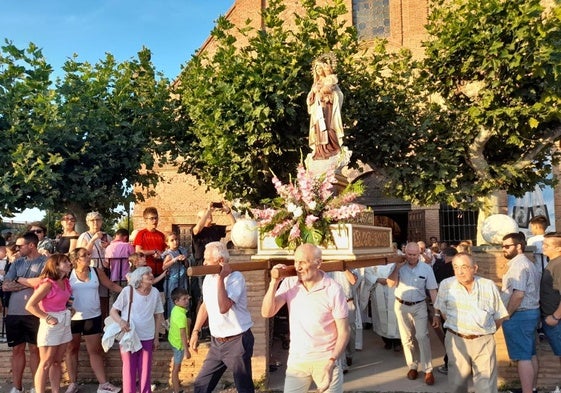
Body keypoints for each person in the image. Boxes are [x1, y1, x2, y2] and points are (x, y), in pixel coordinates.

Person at [261, 243, 349, 393]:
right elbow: (267, 312)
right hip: (298, 360)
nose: (297, 267)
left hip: (326, 360)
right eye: (296, 261)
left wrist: (332, 362)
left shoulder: (333, 289)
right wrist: (274, 282)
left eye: (302, 262)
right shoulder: (290, 283)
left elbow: (344, 332)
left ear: (318, 263)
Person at [433, 252, 508, 393]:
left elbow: (500, 315)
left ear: (475, 268)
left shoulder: (488, 285)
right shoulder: (446, 285)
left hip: (483, 341)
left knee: (486, 387)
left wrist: (485, 332)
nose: (460, 272)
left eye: (464, 267)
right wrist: (456, 328)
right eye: (456, 267)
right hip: (456, 340)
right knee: (457, 385)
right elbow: (442, 310)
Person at [189, 242, 254, 393]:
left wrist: (221, 279)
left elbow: (224, 307)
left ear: (220, 261)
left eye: (207, 259)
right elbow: (205, 305)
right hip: (217, 342)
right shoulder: (208, 278)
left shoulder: (235, 278)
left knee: (244, 388)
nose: (203, 263)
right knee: (201, 385)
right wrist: (196, 331)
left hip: (237, 341)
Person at [65, 248, 123, 393]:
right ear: (76, 259)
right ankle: (73, 383)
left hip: (93, 316)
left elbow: (110, 285)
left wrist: (128, 291)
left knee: (95, 351)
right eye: (85, 255)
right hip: (73, 317)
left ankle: (103, 384)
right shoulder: (67, 274)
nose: (89, 256)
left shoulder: (96, 271)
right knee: (72, 349)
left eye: (89, 254)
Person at [387, 242, 438, 385]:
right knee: (406, 338)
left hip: (420, 305)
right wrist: (397, 268)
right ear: (405, 252)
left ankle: (428, 369)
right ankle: (412, 366)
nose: (411, 257)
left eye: (415, 254)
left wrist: (436, 313)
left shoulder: (426, 268)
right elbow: (390, 284)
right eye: (409, 254)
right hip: (401, 305)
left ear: (419, 254)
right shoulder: (398, 266)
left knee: (422, 336)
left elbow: (433, 291)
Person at [2, 232, 48, 393]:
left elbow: (43, 283)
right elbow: (5, 286)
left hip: (35, 312)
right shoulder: (16, 262)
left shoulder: (45, 262)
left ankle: (37, 387)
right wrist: (29, 283)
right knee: (17, 350)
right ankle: (17, 387)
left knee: (35, 349)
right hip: (14, 312)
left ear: (31, 245)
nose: (17, 248)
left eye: (21, 245)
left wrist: (19, 280)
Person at [110, 267, 164, 393]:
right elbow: (113, 311)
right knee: (129, 368)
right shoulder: (128, 291)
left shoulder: (155, 292)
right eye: (147, 274)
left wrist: (156, 337)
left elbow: (158, 315)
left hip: (147, 335)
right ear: (139, 278)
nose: (151, 275)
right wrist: (121, 321)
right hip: (129, 335)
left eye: (151, 273)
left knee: (145, 368)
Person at [25, 254, 73, 393]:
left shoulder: (65, 282)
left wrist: (70, 308)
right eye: (65, 262)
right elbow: (30, 305)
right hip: (51, 322)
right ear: (56, 266)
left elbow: (69, 298)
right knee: (46, 362)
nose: (69, 263)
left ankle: (55, 390)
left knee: (57, 361)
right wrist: (46, 317)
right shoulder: (47, 284)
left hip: (64, 320)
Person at [500, 233, 541, 393]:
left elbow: (518, 294)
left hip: (520, 315)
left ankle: (527, 391)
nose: (504, 249)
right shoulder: (527, 263)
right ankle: (532, 388)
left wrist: (507, 314)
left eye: (507, 246)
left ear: (518, 246)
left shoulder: (518, 265)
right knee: (530, 354)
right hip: (530, 313)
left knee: (523, 357)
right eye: (502, 246)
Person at [307, 54, 344, 160]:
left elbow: (337, 94)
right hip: (317, 109)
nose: (318, 70)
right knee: (318, 128)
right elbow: (310, 98)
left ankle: (331, 147)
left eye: (320, 68)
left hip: (326, 107)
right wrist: (313, 93)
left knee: (327, 126)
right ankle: (320, 150)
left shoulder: (330, 79)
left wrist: (327, 96)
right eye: (316, 68)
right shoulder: (315, 83)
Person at [78, 212, 112, 318]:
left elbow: (112, 252)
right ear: (88, 222)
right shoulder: (84, 236)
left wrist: (108, 246)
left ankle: (104, 321)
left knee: (104, 297)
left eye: (97, 220)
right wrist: (93, 240)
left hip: (105, 270)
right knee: (92, 295)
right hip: (91, 270)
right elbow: (83, 253)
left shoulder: (107, 236)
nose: (95, 222)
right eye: (92, 220)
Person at [431, 246, 458, 375]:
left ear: (445, 256)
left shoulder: (441, 269)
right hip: (460, 309)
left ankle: (449, 364)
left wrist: (436, 313)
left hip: (446, 310)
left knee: (449, 337)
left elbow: (436, 291)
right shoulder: (462, 269)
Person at [362, 263, 401, 351]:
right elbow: (367, 273)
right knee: (381, 316)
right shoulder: (372, 259)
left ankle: (397, 342)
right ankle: (387, 341)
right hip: (378, 289)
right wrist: (377, 279)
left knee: (395, 317)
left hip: (393, 290)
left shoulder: (395, 258)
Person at [326, 269, 357, 372]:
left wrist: (344, 268)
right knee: (338, 334)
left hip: (348, 302)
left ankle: (349, 354)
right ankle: (342, 364)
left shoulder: (348, 267)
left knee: (350, 332)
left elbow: (353, 281)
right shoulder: (326, 267)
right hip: (333, 304)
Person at [539, 233, 561, 375]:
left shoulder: (558, 265)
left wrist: (556, 317)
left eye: (547, 245)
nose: (543, 247)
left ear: (559, 248)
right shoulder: (553, 262)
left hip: (556, 320)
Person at [133, 207, 166, 291]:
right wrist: (153, 251)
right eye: (152, 218)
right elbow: (138, 251)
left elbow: (164, 251)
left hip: (159, 271)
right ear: (145, 220)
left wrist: (160, 255)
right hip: (145, 272)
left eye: (156, 218)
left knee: (159, 296)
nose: (154, 221)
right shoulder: (141, 234)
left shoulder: (161, 235)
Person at [161, 232, 192, 319]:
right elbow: (164, 267)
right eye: (172, 240)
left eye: (176, 239)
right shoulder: (169, 254)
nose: (175, 242)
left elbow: (186, 265)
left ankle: (182, 319)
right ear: (167, 243)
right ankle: (172, 321)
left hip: (182, 279)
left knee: (183, 299)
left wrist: (184, 260)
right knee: (173, 301)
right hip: (173, 280)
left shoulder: (182, 250)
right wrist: (175, 259)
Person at [168, 287, 191, 393]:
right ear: (176, 301)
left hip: (173, 340)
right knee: (176, 369)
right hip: (178, 345)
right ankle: (177, 390)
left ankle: (177, 384)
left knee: (177, 367)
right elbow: (182, 334)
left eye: (187, 299)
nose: (187, 301)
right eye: (184, 299)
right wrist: (186, 350)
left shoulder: (176, 310)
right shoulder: (181, 315)